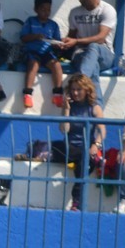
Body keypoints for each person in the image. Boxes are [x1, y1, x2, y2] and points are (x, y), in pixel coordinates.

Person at [53, 74, 105, 212]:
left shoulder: (94, 108)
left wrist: (96, 145)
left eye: (79, 89)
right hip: (70, 147)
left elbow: (102, 130)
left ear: (87, 90)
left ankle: (76, 201)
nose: (75, 93)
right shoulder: (69, 107)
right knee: (55, 146)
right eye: (73, 89)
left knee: (84, 162)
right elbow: (64, 130)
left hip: (87, 148)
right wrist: (66, 109)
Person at [61, 0, 116, 97]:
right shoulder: (75, 12)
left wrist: (76, 41)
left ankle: (79, 83)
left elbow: (101, 38)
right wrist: (64, 43)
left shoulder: (107, 10)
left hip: (104, 55)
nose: (81, 0)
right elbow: (72, 37)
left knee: (93, 46)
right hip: (82, 54)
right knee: (92, 66)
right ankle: (96, 106)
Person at [20, 0, 64, 110]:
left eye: (48, 10)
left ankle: (58, 93)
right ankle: (28, 93)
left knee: (57, 65)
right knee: (33, 65)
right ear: (36, 9)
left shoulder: (53, 25)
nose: (46, 12)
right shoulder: (30, 21)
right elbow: (23, 38)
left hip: (47, 52)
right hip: (32, 51)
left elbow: (57, 40)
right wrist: (35, 36)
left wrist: (58, 45)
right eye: (43, 9)